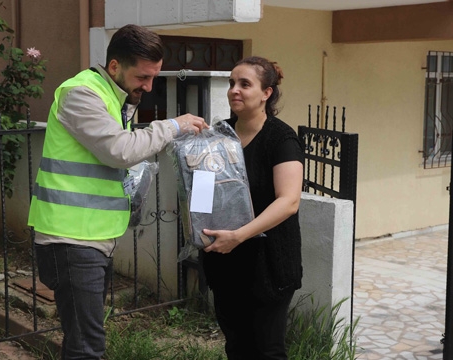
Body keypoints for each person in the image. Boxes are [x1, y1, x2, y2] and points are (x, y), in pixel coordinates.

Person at [27, 24, 208, 360]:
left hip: (90, 237)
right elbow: (119, 150)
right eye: (143, 77)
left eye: (154, 77)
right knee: (87, 347)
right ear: (114, 66)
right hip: (70, 238)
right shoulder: (81, 93)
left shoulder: (113, 96)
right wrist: (172, 126)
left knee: (84, 342)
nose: (149, 86)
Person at [201, 56, 304, 360]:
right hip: (225, 260)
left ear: (266, 93)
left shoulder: (281, 139)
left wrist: (239, 235)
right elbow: (206, 189)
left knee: (267, 351)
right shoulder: (219, 133)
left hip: (267, 264)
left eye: (245, 84)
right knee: (236, 346)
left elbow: (289, 201)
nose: (234, 89)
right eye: (232, 83)